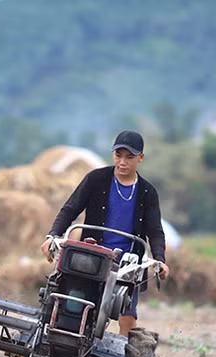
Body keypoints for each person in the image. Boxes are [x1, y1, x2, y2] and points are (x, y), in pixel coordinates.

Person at [39, 130, 170, 338]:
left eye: (130, 157)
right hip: (92, 257)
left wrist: (160, 260)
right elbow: (70, 209)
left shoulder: (147, 192)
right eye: (119, 156)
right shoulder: (95, 179)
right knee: (74, 302)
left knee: (127, 313)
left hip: (128, 263)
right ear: (113, 155)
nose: (123, 162)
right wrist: (52, 235)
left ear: (141, 158)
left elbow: (155, 231)